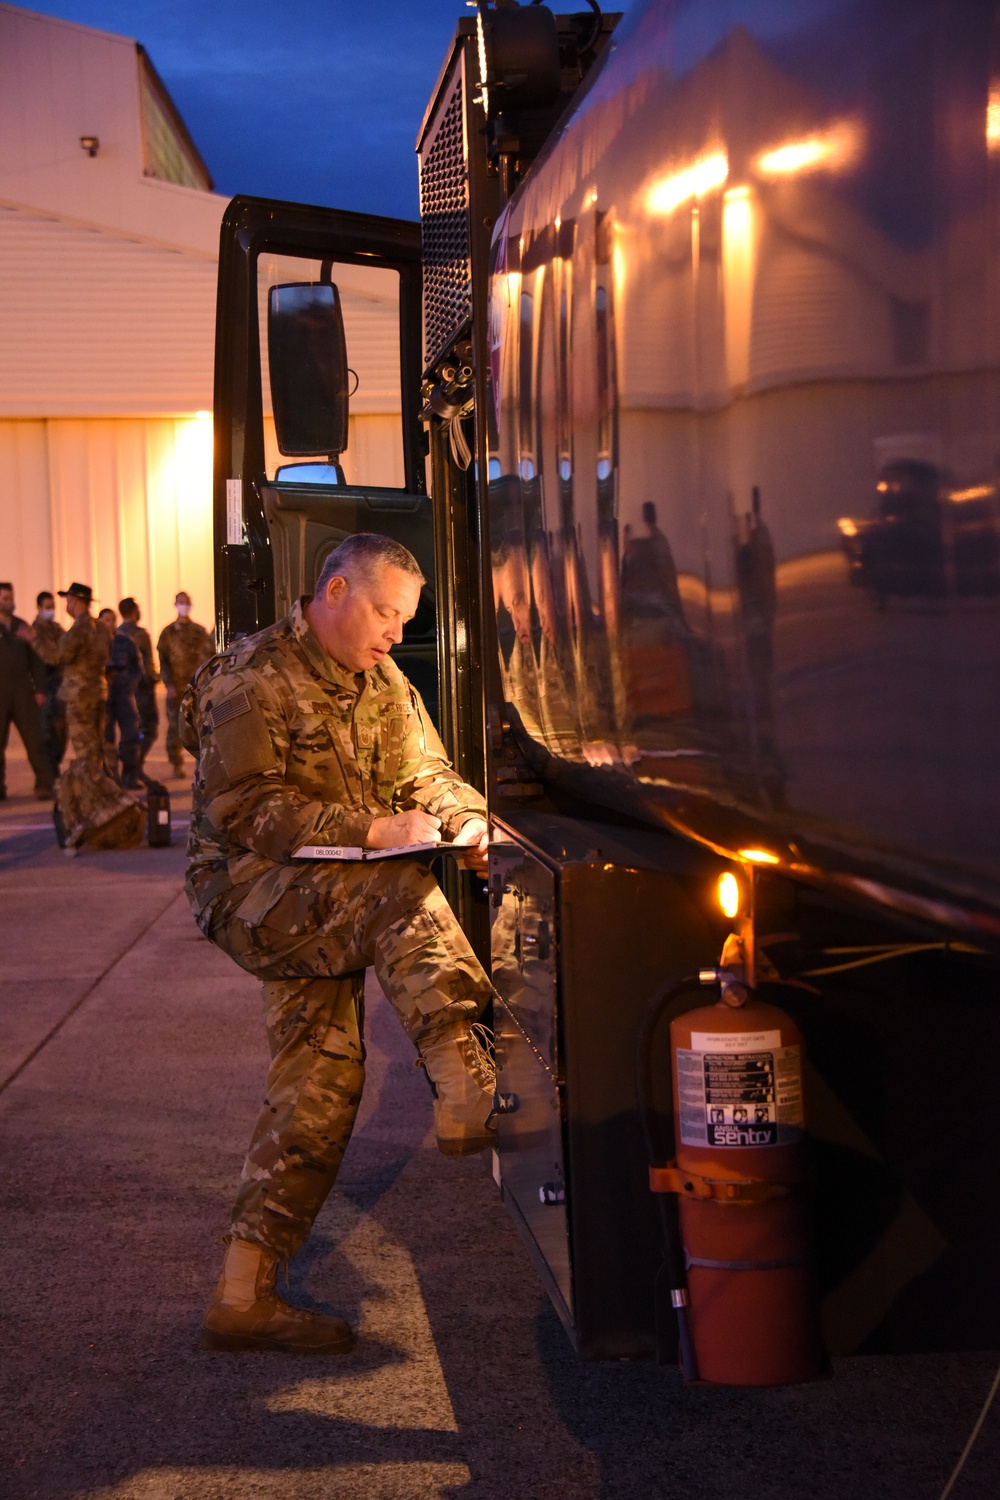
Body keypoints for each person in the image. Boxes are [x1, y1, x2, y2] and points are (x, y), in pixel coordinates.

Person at [182, 533, 494, 1355]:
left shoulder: (380, 680)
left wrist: (464, 816)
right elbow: (245, 809)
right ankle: (464, 1072)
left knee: (320, 1085)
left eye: (404, 619)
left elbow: (427, 770)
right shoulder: (249, 677)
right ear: (333, 593)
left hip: (327, 894)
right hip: (252, 892)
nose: (396, 634)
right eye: (386, 614)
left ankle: (242, 1296)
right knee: (400, 886)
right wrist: (372, 829)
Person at [53, 583, 144, 851]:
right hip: (97, 695)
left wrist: (34, 637)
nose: (66, 604)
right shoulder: (100, 629)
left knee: (86, 760)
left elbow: (60, 655)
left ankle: (105, 809)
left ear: (76, 600)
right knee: (97, 753)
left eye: (68, 599)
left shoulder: (80, 628)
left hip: (80, 698)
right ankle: (106, 806)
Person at [0, 582, 54, 800]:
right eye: (5, 598)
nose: (9, 602)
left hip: (23, 692)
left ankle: (44, 785)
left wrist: (40, 689)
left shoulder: (22, 628)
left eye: (10, 598)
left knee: (35, 740)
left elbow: (37, 662)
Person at [157, 592, 213, 777]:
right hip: (177, 689)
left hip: (197, 688)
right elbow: (163, 662)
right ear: (175, 604)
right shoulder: (168, 633)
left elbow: (209, 656)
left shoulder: (199, 630)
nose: (184, 605)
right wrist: (168, 685)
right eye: (181, 602)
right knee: (176, 727)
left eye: (187, 602)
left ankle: (201, 766)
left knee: (200, 727)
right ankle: (176, 763)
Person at [118, 598, 158, 770]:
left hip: (123, 689)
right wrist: (152, 680)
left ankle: (132, 765)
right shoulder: (140, 634)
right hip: (142, 689)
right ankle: (134, 764)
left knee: (130, 729)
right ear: (134, 611)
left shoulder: (117, 632)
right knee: (149, 726)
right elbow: (147, 662)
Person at [30, 592, 67, 778]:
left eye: (52, 606)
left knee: (61, 731)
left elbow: (67, 649)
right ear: (39, 608)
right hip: (44, 687)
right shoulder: (34, 631)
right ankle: (48, 774)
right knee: (47, 731)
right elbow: (50, 656)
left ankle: (54, 767)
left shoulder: (57, 628)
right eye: (47, 607)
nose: (50, 610)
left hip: (60, 686)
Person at [105, 614, 143, 789]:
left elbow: (137, 666)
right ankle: (110, 778)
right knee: (106, 738)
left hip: (123, 694)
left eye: (112, 620)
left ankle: (130, 775)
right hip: (104, 697)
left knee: (130, 734)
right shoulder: (95, 642)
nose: (110, 623)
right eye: (105, 620)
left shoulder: (125, 642)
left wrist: (131, 683)